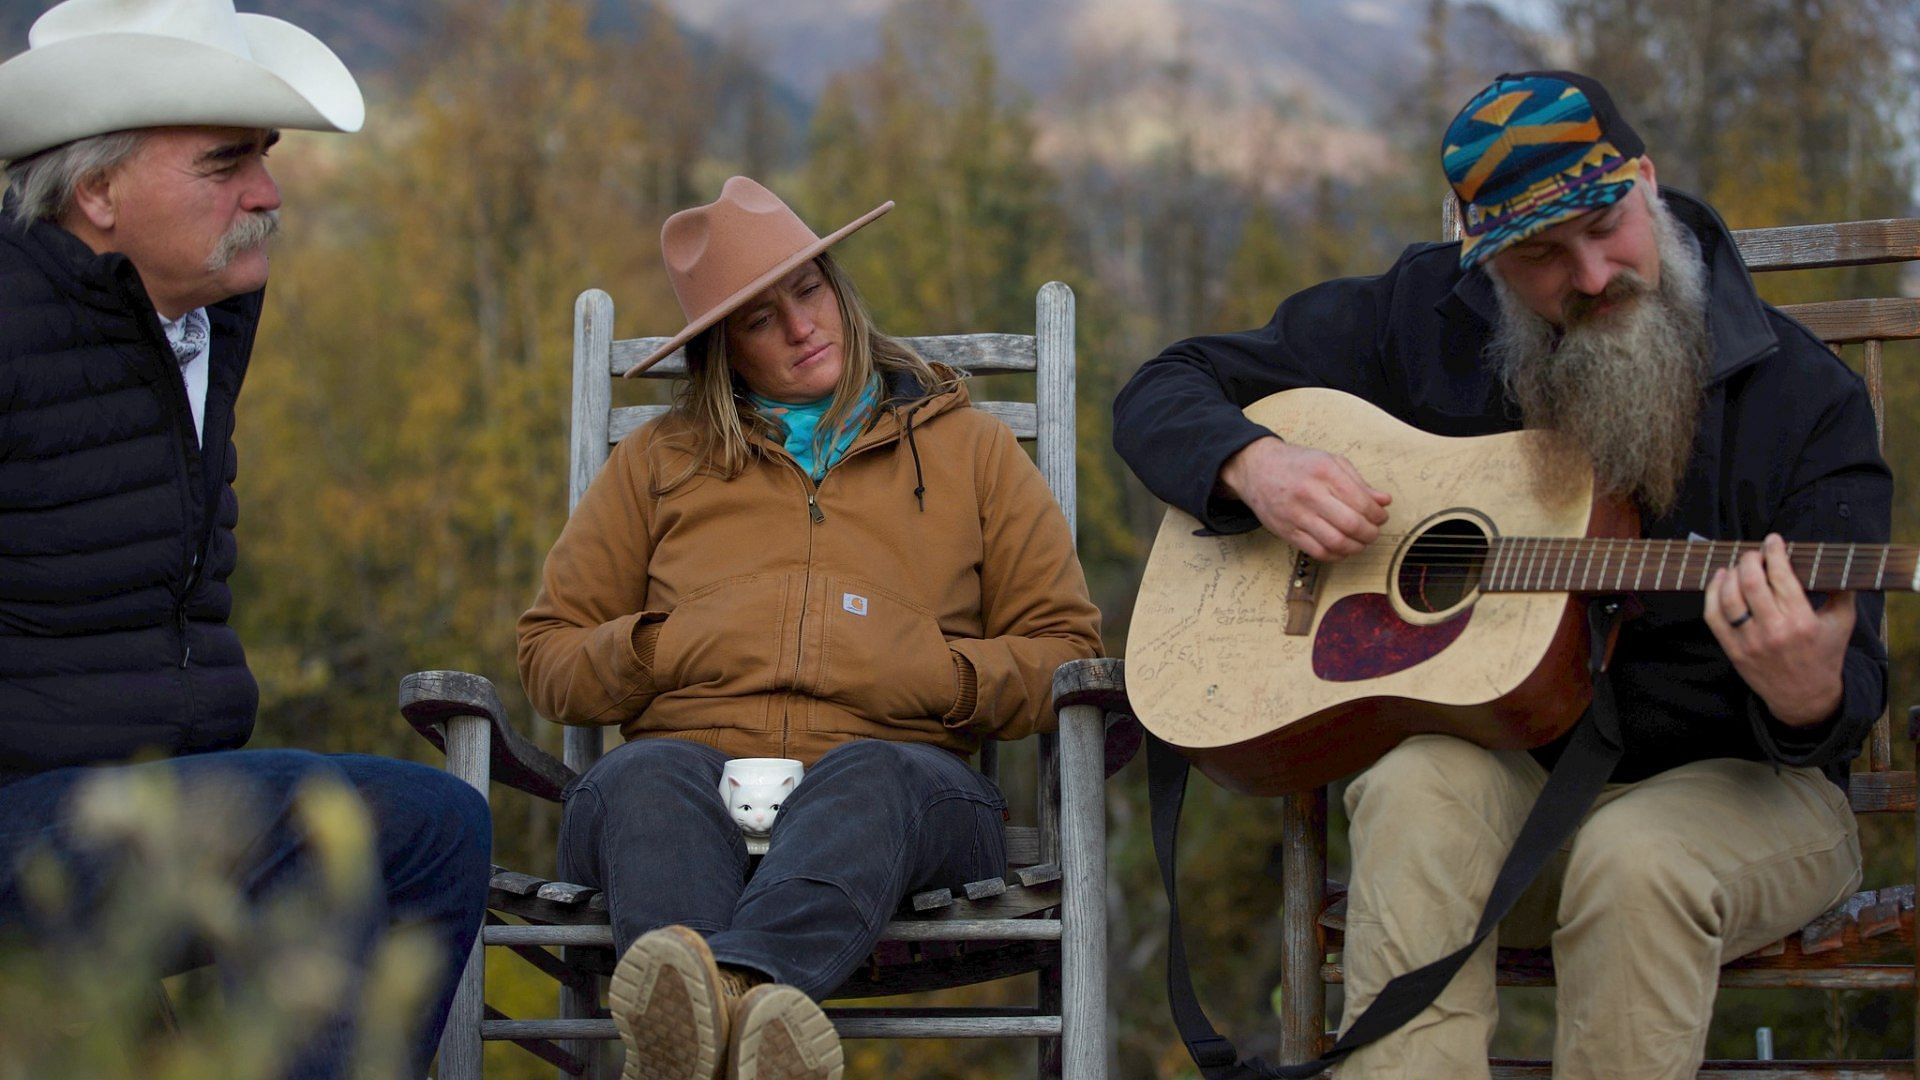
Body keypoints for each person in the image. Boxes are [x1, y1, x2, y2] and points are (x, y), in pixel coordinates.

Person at [1112, 70, 1888, 1078]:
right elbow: (1163, 387)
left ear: (1645, 180)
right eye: (1539, 256)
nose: (1595, 273)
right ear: (1484, 260)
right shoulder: (1423, 318)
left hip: (1744, 796)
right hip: (1522, 784)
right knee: (1412, 788)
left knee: (1637, 860)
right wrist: (1252, 463)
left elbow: (1852, 693)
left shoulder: (1801, 397)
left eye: (1608, 223)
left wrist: (1807, 690)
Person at [518, 175, 1103, 1080]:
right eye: (759, 318)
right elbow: (549, 652)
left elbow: (1065, 650)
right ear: (723, 349)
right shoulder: (658, 462)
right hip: (690, 780)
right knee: (644, 773)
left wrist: (939, 676)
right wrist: (666, 645)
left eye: (809, 290)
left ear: (838, 285)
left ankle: (710, 1002)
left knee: (872, 775)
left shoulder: (971, 451)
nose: (801, 328)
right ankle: (757, 1026)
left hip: (907, 789)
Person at [0, 0, 491, 1074]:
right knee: (317, 828)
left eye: (264, 158)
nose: (267, 193)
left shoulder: (203, 311)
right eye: (225, 165)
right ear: (96, 190)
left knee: (435, 826)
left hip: (161, 795)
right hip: (30, 817)